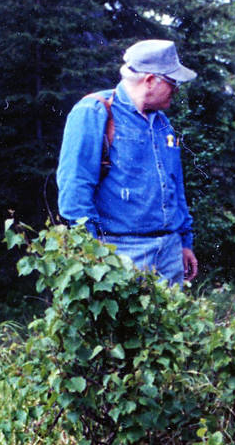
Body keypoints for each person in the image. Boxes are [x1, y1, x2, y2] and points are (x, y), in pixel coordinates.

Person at [56, 40, 200, 284]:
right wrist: (93, 252)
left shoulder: (162, 123)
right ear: (151, 80)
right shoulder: (94, 111)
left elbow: (175, 186)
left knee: (172, 322)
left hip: (170, 252)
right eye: (172, 82)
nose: (176, 90)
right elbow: (74, 188)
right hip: (120, 253)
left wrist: (184, 242)